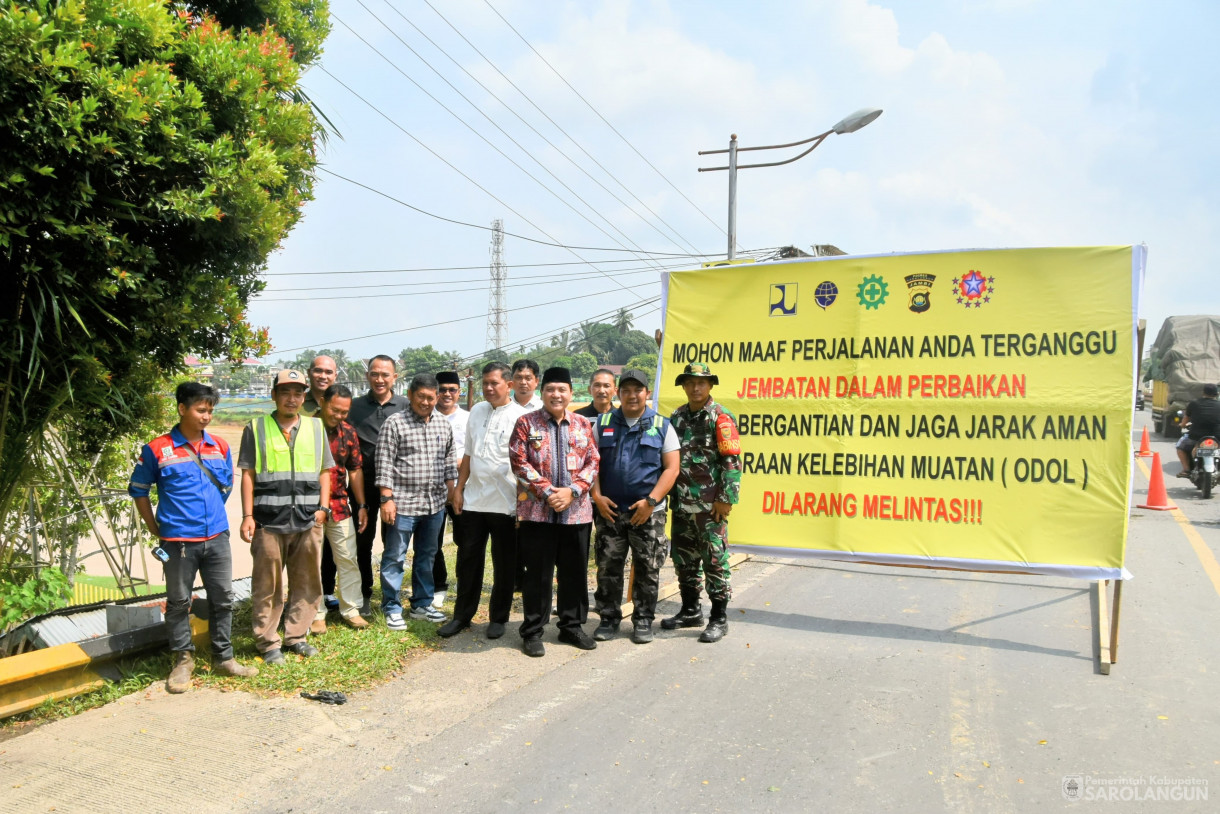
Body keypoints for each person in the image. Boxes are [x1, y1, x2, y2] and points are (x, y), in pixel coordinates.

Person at [129, 382, 258, 692]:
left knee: (222, 599)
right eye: (201, 410)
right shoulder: (157, 448)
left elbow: (224, 487)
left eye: (210, 411)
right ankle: (183, 661)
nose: (206, 417)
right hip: (177, 542)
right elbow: (138, 490)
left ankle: (224, 658)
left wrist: (211, 516)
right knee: (177, 602)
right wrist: (153, 526)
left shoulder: (221, 447)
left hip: (217, 538)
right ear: (182, 408)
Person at [239, 369, 334, 664]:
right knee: (267, 585)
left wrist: (323, 508)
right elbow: (248, 475)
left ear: (304, 397)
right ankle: (268, 642)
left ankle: (296, 636)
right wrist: (247, 515)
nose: (291, 399)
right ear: (274, 396)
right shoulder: (255, 428)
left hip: (307, 519)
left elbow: (325, 471)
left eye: (297, 393)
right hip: (269, 520)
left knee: (307, 582)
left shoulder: (317, 429)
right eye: (285, 392)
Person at [510, 367, 600, 657]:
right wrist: (550, 493)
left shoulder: (583, 424)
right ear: (542, 392)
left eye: (562, 390)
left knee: (574, 572)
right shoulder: (526, 423)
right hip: (537, 513)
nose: (556, 395)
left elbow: (593, 463)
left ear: (571, 394)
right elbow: (519, 463)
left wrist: (571, 491)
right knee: (537, 574)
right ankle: (533, 631)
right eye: (551, 389)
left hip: (576, 514)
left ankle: (571, 626)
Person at [438, 362, 529, 639]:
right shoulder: (476, 411)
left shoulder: (522, 417)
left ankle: (498, 618)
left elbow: (526, 466)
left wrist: (522, 504)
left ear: (508, 385)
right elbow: (468, 455)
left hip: (506, 504)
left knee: (504, 563)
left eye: (494, 383)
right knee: (468, 561)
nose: (489, 388)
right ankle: (462, 616)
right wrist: (458, 489)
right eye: (485, 383)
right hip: (474, 501)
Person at [591, 370, 680, 644]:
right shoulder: (603, 423)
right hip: (610, 512)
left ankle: (642, 620)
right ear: (619, 393)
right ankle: (608, 619)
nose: (632, 395)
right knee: (607, 569)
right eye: (627, 390)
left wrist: (651, 501)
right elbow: (590, 464)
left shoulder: (662, 425)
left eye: (638, 390)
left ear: (646, 393)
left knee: (647, 569)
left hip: (647, 514)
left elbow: (671, 468)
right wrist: (596, 496)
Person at [664, 362, 741, 644]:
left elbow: (731, 460)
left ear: (710, 386)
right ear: (684, 386)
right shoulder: (678, 416)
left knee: (714, 561)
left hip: (710, 508)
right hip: (682, 504)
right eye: (690, 383)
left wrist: (725, 499)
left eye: (702, 383)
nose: (696, 388)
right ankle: (690, 610)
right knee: (684, 559)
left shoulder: (720, 417)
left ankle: (719, 618)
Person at [375, 373, 457, 630]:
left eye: (430, 397)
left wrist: (452, 494)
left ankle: (422, 604)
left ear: (437, 397)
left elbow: (449, 463)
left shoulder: (443, 424)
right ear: (410, 395)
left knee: (427, 556)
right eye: (420, 396)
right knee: (394, 557)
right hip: (402, 505)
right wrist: (386, 499)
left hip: (434, 505)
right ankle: (391, 607)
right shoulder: (395, 423)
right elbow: (384, 463)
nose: (426, 402)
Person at [347, 354, 408, 617]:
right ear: (367, 376)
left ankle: (390, 597)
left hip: (397, 489)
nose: (380, 379)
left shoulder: (406, 405)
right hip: (363, 487)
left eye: (385, 374)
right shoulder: (354, 406)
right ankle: (364, 594)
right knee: (362, 542)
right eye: (374, 374)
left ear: (395, 377)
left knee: (393, 543)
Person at [311, 384, 371, 632]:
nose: (339, 416)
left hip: (339, 505)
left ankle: (351, 609)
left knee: (347, 558)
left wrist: (362, 504)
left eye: (344, 412)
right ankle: (315, 613)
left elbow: (355, 469)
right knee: (311, 562)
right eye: (335, 410)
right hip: (309, 507)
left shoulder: (348, 431)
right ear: (323, 401)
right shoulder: (306, 429)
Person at [301, 354, 340, 615]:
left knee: (330, 548)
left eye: (328, 372)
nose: (323, 376)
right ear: (309, 373)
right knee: (304, 548)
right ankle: (303, 599)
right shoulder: (297, 403)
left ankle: (327, 591)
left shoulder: (339, 400)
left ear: (335, 376)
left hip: (334, 486)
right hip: (302, 487)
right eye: (318, 371)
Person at [430, 370, 469, 609]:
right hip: (432, 490)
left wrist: (452, 463)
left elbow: (472, 454)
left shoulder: (468, 418)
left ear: (459, 392)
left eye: (452, 390)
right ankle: (438, 585)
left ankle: (465, 584)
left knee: (465, 540)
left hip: (462, 489)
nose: (447, 394)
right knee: (432, 542)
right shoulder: (426, 416)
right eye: (442, 389)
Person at [1177, 383, 1220, 476]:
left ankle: (1186, 470)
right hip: (1217, 437)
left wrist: (1182, 425)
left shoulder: (1194, 403)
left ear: (1203, 392)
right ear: (1216, 394)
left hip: (1196, 436)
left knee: (1180, 447)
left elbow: (1186, 418)